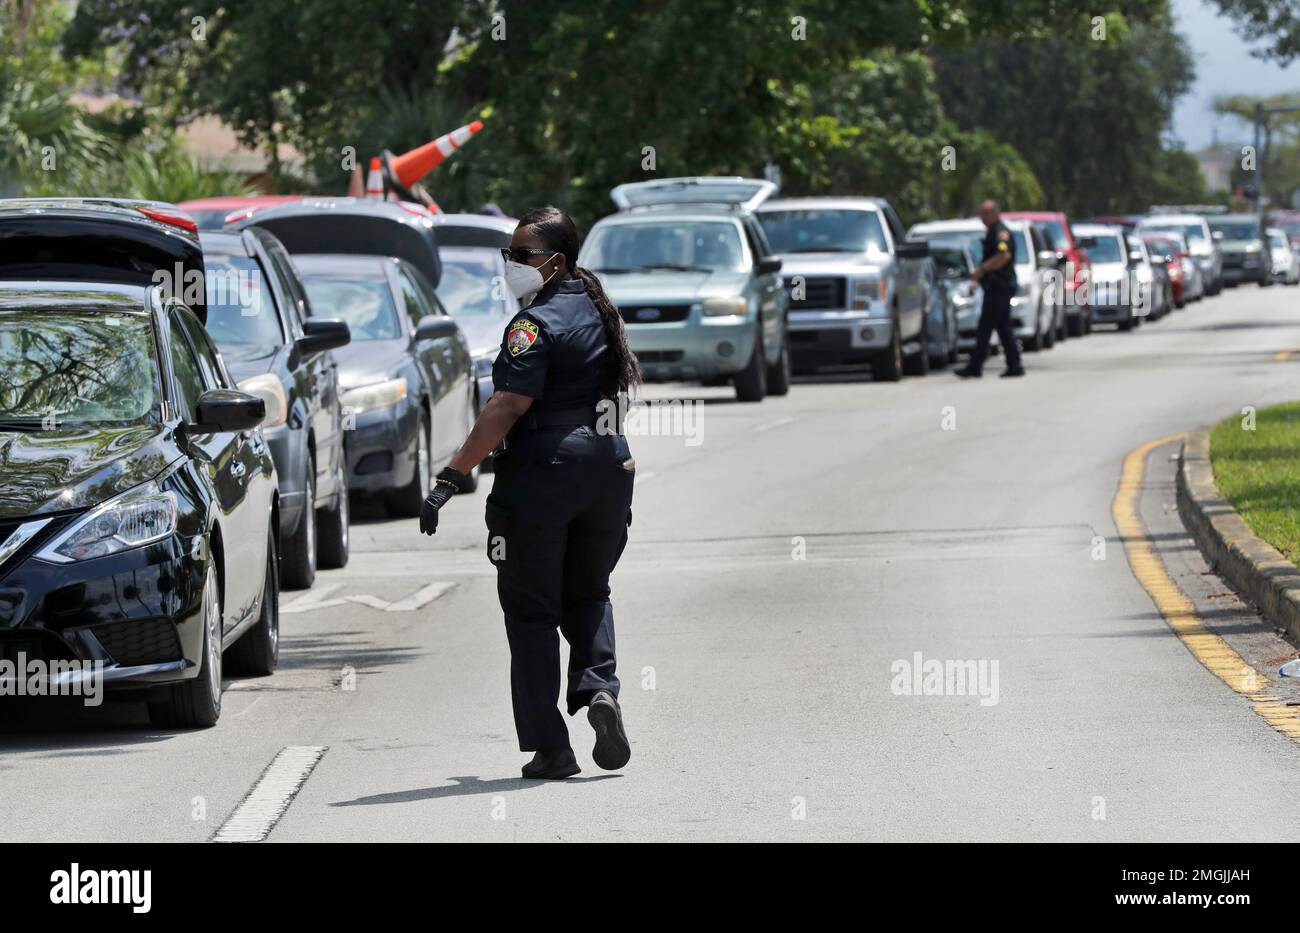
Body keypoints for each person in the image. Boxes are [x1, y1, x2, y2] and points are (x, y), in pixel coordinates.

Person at [418, 206, 641, 780]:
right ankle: (598, 692)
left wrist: (451, 476)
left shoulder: (531, 325)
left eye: (521, 255)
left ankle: (552, 749)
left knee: (532, 614)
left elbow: (506, 405)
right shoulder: (597, 309)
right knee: (589, 593)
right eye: (508, 254)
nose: (511, 264)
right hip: (609, 466)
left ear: (555, 262)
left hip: (544, 472)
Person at [955, 200, 1025, 379]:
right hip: (996, 286)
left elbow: (1003, 255)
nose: (983, 218)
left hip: (1000, 287)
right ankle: (1014, 364)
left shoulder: (1001, 233)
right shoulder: (992, 232)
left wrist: (982, 270)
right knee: (1003, 327)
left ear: (996, 213)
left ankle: (975, 366)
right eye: (981, 214)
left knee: (985, 327)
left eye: (986, 214)